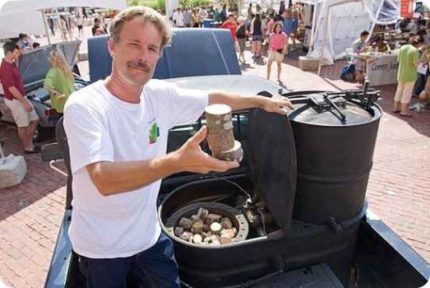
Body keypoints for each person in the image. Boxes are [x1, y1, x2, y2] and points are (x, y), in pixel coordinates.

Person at [63, 7, 293, 287]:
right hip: (101, 249)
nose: (142, 56)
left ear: (159, 55)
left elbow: (212, 98)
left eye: (151, 48)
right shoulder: (86, 105)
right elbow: (104, 179)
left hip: (147, 236)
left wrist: (260, 101)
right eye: (134, 44)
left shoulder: (158, 95)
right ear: (112, 46)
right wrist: (177, 162)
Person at [0, 42, 39, 153]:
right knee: (22, 126)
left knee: (35, 119)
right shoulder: (5, 68)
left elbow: (18, 59)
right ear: (8, 53)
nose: (18, 54)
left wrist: (19, 54)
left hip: (21, 97)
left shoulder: (11, 63)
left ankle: (29, 143)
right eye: (16, 52)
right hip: (15, 100)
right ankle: (28, 147)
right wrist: (24, 102)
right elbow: (12, 89)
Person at [394, 36, 424, 116]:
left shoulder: (403, 47)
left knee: (399, 91)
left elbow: (398, 60)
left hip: (401, 73)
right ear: (419, 43)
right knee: (407, 93)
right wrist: (422, 60)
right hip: (410, 75)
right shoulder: (415, 51)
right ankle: (403, 111)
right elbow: (416, 64)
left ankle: (395, 107)